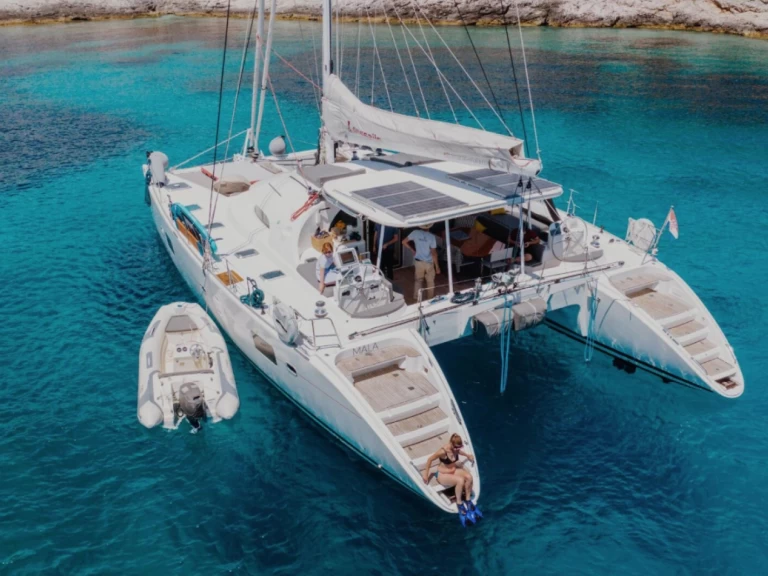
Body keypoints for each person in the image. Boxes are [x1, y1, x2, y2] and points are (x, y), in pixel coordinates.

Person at [422, 433, 477, 520]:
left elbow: (459, 452)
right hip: (442, 474)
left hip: (453, 471)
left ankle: (468, 500)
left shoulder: (456, 449)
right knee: (460, 480)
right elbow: (430, 459)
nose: (457, 450)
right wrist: (426, 474)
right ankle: (459, 504)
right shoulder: (443, 451)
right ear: (451, 443)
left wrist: (467, 455)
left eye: (459, 447)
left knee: (469, 477)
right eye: (456, 447)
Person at [403, 224, 440, 300]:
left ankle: (417, 298)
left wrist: (412, 250)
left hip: (418, 262)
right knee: (430, 282)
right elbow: (433, 253)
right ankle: (430, 299)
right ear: (429, 227)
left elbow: (403, 242)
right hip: (429, 263)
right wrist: (437, 267)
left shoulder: (415, 232)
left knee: (418, 281)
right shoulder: (432, 237)